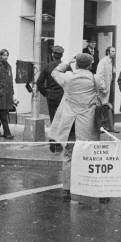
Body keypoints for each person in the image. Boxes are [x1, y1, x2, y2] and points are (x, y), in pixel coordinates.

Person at [47, 53, 108, 202]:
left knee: (68, 156)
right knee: (92, 156)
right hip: (87, 124)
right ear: (90, 65)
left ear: (77, 64)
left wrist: (68, 62)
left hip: (69, 125)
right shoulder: (95, 79)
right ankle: (98, 191)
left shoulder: (68, 77)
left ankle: (66, 191)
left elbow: (54, 72)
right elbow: (104, 89)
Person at [0, 49, 17, 139]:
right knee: (3, 114)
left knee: (2, 112)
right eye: (4, 55)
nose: (6, 57)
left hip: (8, 94)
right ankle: (7, 133)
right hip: (0, 95)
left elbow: (10, 81)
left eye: (7, 55)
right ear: (0, 55)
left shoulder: (9, 67)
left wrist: (12, 93)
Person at [37, 45, 65, 122]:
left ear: (53, 54)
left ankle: (53, 132)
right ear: (62, 55)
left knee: (52, 116)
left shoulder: (47, 66)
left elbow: (39, 83)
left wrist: (46, 93)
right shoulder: (66, 67)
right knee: (62, 117)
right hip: (62, 95)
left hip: (51, 95)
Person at [95, 46, 118, 132]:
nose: (114, 53)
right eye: (112, 51)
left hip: (109, 87)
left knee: (107, 107)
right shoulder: (103, 61)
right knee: (102, 107)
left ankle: (109, 127)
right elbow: (99, 75)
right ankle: (101, 127)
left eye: (115, 51)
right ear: (108, 52)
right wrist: (102, 87)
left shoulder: (111, 62)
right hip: (104, 89)